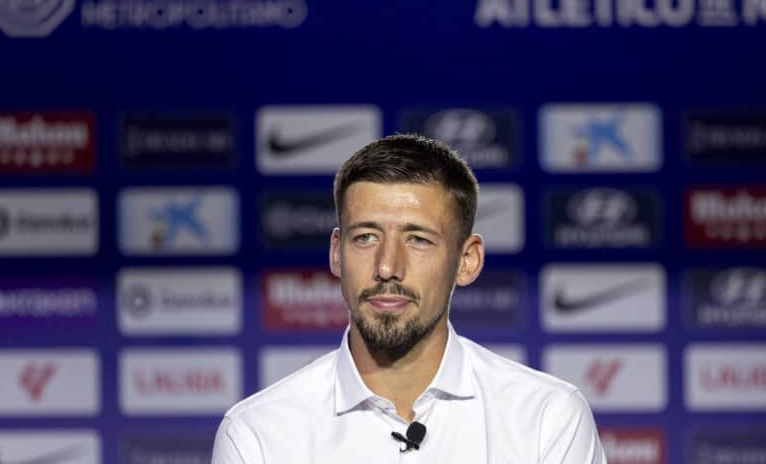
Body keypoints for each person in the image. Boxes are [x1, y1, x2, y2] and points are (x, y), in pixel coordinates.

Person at [212, 134, 605, 463]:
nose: (387, 267)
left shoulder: (547, 419)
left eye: (418, 240)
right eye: (365, 237)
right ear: (336, 253)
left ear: (466, 261)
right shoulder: (258, 433)